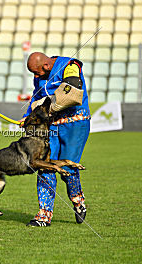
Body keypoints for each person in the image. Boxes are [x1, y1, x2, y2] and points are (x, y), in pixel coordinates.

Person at [20, 52, 91, 227]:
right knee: (45, 166)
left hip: (75, 123)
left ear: (45, 66)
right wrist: (28, 116)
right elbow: (36, 99)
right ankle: (44, 216)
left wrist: (50, 108)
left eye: (36, 73)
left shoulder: (70, 66)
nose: (36, 77)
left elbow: (72, 93)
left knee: (67, 168)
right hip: (50, 125)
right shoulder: (40, 76)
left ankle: (78, 201)